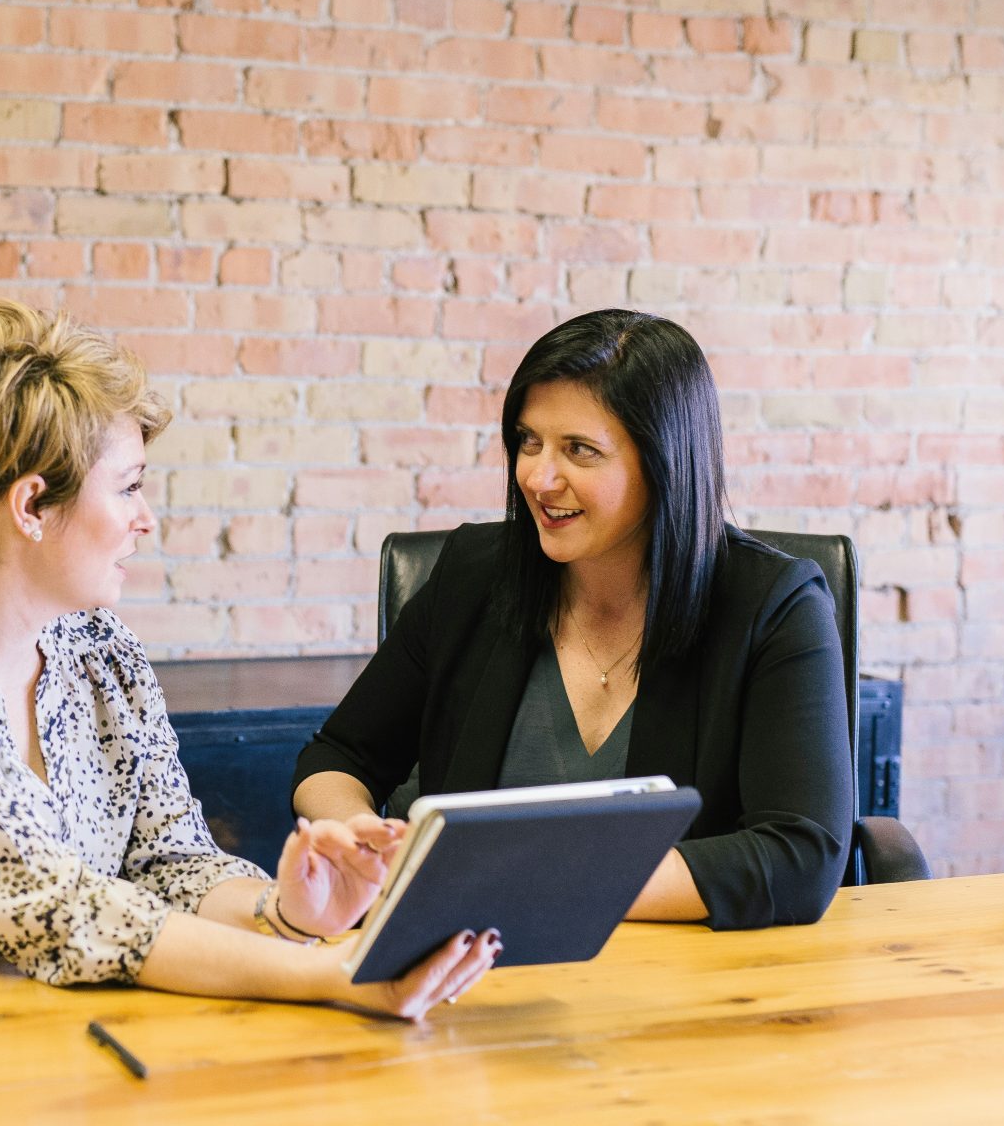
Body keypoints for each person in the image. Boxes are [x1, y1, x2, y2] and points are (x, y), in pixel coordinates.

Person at [0, 300, 496, 1017]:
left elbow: (170, 860)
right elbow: (59, 908)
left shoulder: (98, 648)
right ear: (31, 506)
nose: (146, 520)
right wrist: (332, 974)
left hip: (18, 1029)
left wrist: (288, 912)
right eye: (127, 488)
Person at [292, 309, 854, 929]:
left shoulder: (774, 606)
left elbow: (800, 855)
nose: (538, 476)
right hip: (468, 970)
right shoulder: (474, 575)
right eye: (529, 442)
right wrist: (360, 841)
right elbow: (337, 757)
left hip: (683, 982)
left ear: (664, 461)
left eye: (579, 450)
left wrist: (527, 883)